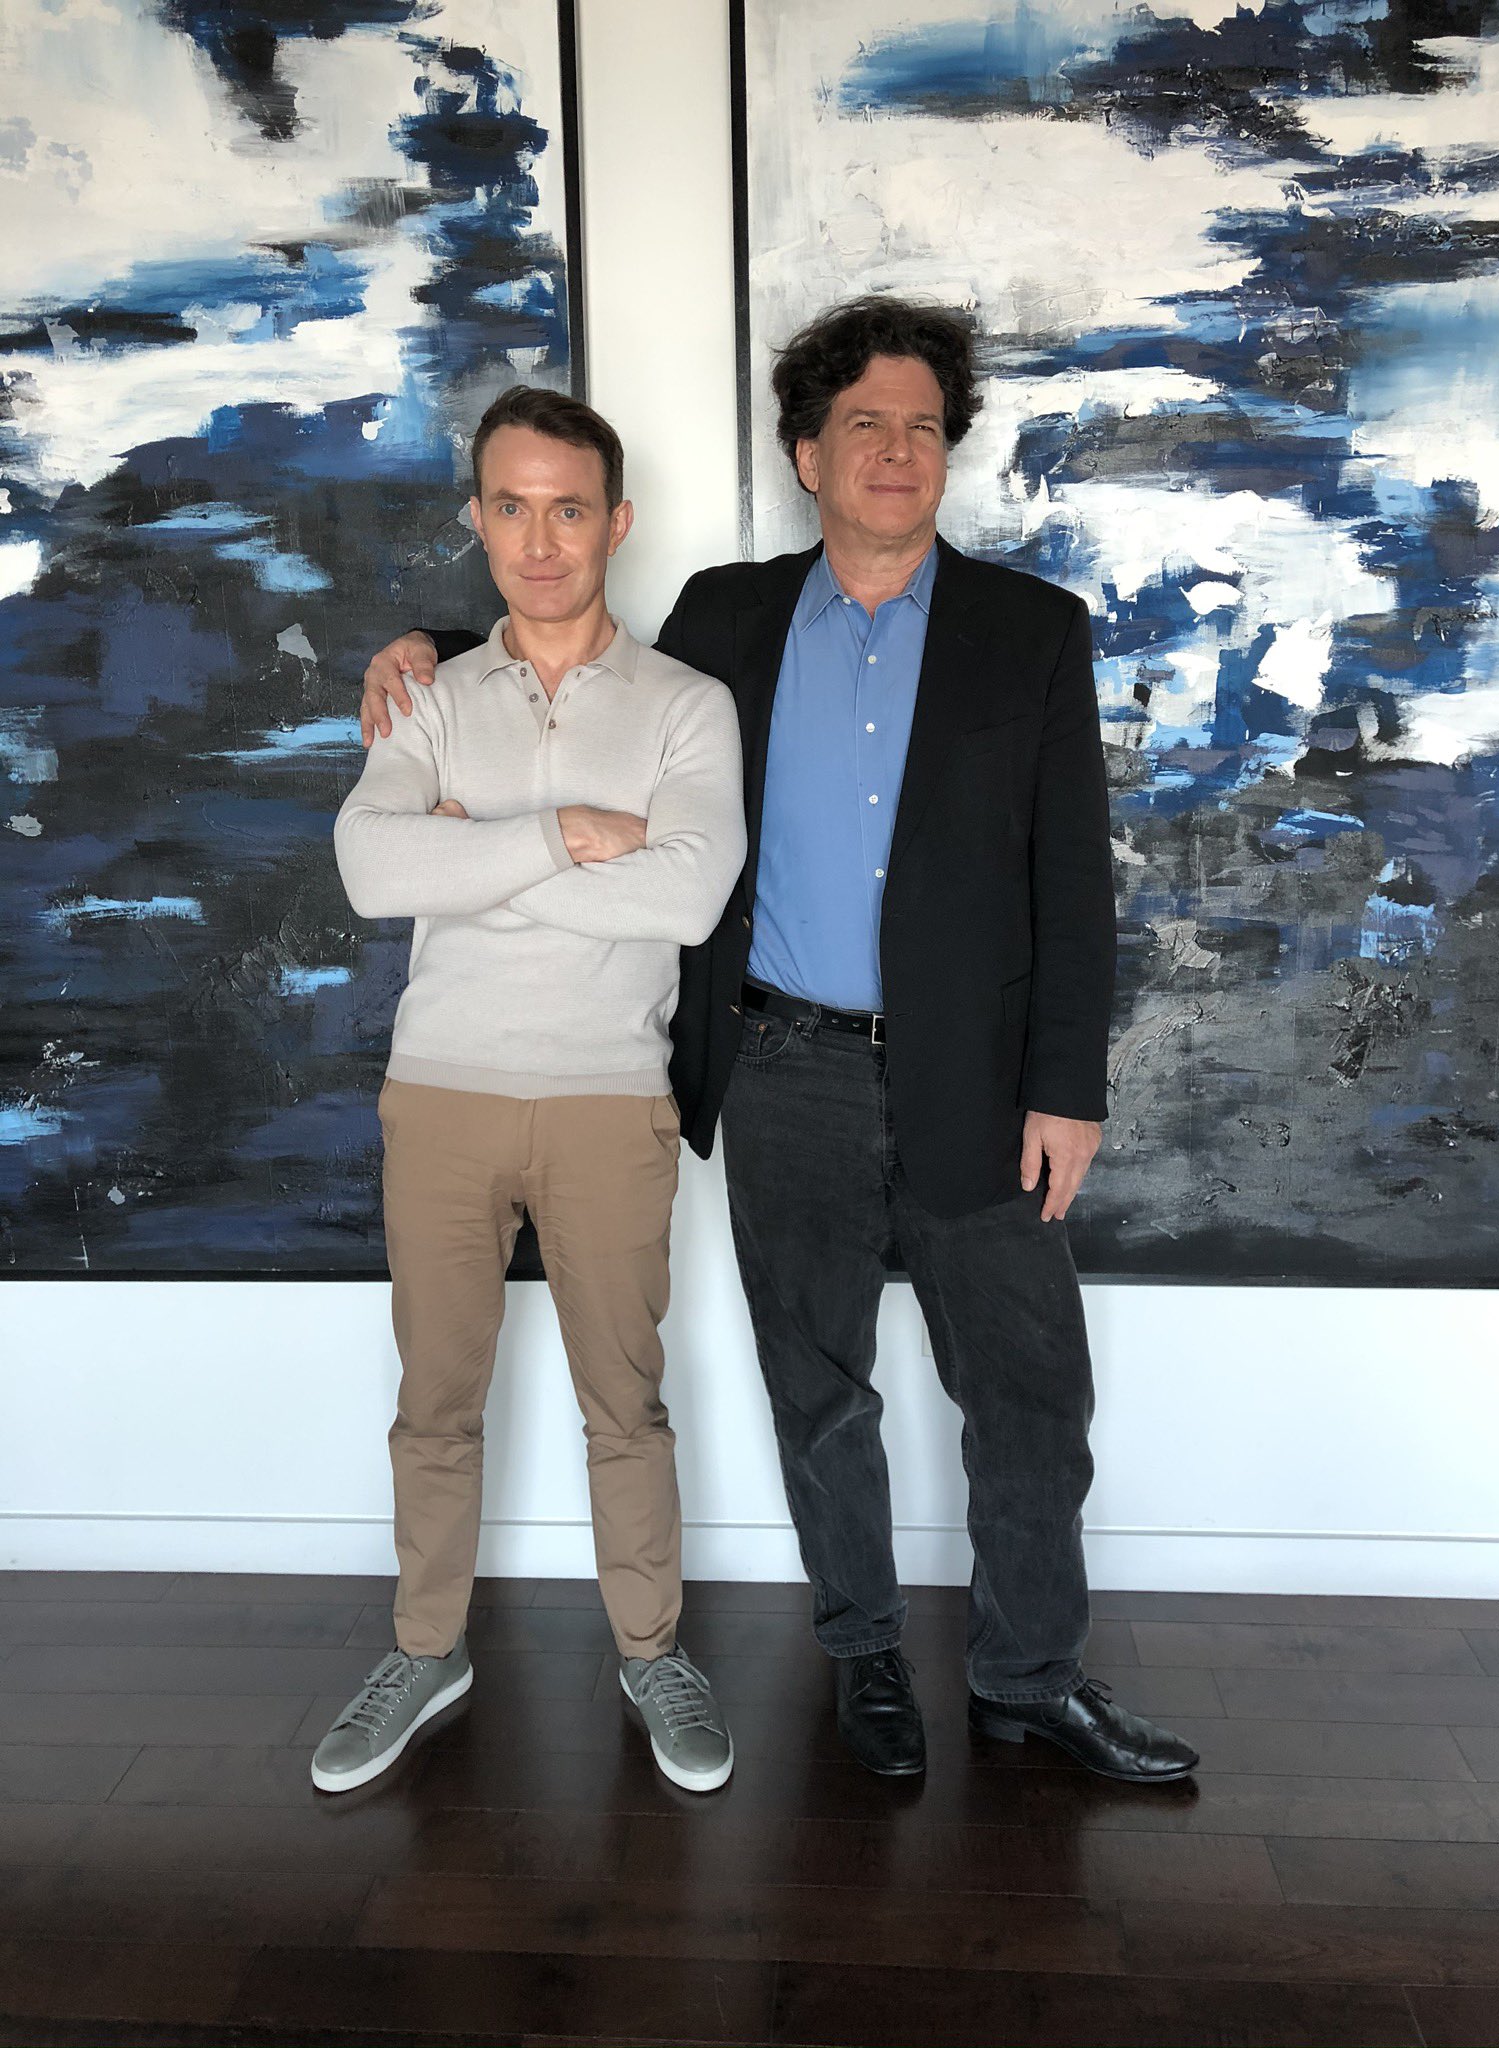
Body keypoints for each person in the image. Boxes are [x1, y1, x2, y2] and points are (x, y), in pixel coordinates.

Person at [357, 300, 1197, 1786]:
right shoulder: (729, 619)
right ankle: (863, 1656)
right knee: (819, 1389)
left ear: (947, 452)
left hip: (981, 1078)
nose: (895, 450)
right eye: (863, 424)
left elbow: (1074, 881)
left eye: (922, 425)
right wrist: (423, 649)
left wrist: (1069, 1088)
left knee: (1028, 1394)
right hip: (784, 1067)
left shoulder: (1030, 632)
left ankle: (1030, 1676)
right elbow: (562, 637)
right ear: (808, 454)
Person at [319, 385, 746, 1796]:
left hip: (610, 1099)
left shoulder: (688, 706)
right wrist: (567, 835)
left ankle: (652, 1652)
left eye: (570, 510)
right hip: (438, 1092)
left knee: (627, 1403)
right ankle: (424, 1649)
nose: (541, 540)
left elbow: (685, 902)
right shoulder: (426, 695)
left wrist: (475, 855)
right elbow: (372, 871)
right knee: (434, 1403)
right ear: (479, 520)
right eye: (512, 507)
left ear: (616, 523)